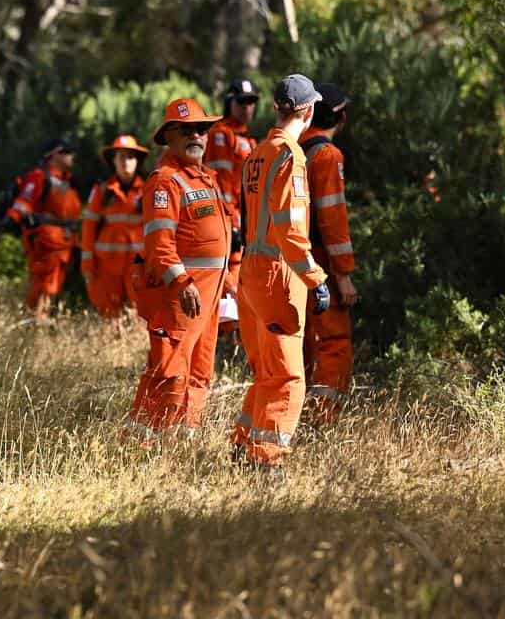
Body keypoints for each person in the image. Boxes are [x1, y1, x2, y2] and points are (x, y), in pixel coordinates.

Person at [230, 74, 331, 470]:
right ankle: (265, 463)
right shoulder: (291, 157)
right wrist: (316, 279)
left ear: (277, 108)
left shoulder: (256, 154)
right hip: (278, 276)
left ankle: (242, 449)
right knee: (289, 379)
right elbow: (291, 231)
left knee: (266, 373)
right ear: (307, 112)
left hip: (251, 274)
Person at [126, 98, 232, 440]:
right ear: (168, 136)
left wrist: (229, 280)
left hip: (208, 297)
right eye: (185, 130)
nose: (196, 136)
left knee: (200, 370)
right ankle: (143, 442)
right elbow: (159, 245)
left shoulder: (206, 178)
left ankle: (185, 439)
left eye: (201, 129)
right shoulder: (165, 181)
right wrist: (182, 282)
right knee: (168, 371)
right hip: (180, 297)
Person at [299, 82, 359, 426]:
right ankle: (323, 419)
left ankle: (300, 413)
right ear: (340, 116)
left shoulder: (291, 151)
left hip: (292, 262)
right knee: (334, 341)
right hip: (321, 261)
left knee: (304, 340)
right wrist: (344, 274)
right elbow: (333, 219)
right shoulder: (327, 156)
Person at [6, 139, 83, 321]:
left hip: (63, 245)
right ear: (52, 156)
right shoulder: (39, 177)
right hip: (45, 244)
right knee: (42, 287)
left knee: (52, 288)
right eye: (66, 151)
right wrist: (11, 219)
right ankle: (33, 325)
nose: (71, 156)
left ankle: (42, 322)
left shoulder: (67, 181)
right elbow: (23, 203)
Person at [81, 134, 150, 318]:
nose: (126, 162)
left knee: (140, 315)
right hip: (107, 267)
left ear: (137, 162)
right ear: (114, 161)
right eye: (121, 157)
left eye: (130, 157)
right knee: (109, 316)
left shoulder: (149, 190)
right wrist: (87, 264)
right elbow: (88, 227)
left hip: (138, 266)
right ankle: (112, 347)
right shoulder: (102, 191)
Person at [205, 78, 259, 214]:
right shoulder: (220, 134)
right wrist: (231, 219)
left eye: (251, 101)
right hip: (229, 216)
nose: (247, 107)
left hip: (246, 217)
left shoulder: (250, 140)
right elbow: (219, 182)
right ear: (229, 102)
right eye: (242, 101)